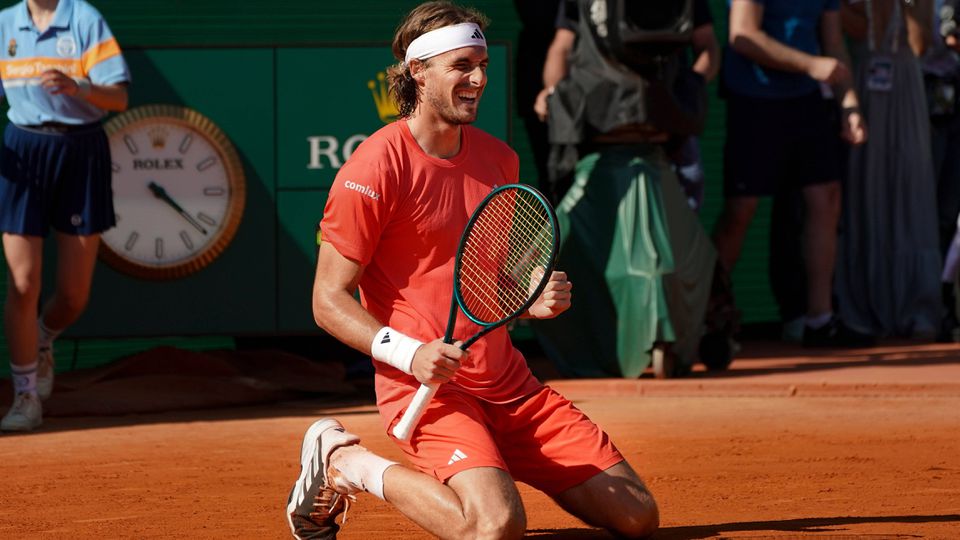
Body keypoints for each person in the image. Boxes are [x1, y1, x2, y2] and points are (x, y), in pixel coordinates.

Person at [285, 2, 659, 539]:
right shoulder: (375, 165)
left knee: (638, 517)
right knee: (494, 527)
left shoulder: (500, 161)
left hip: (511, 387)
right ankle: (348, 463)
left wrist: (529, 297)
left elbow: (492, 279)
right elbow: (327, 300)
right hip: (430, 391)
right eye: (461, 65)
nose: (478, 78)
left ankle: (491, 457)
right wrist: (410, 353)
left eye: (482, 64)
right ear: (419, 71)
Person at [528, 0, 723, 378]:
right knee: (551, 249)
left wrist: (691, 87)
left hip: (661, 138)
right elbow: (561, 46)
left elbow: (708, 47)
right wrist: (553, 93)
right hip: (593, 138)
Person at [0, 0, 130, 432]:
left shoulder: (85, 19)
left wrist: (78, 86)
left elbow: (119, 96)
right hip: (21, 150)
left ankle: (42, 340)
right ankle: (25, 396)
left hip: (80, 153)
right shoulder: (6, 24)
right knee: (22, 284)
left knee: (73, 296)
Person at [712, 0, 872, 348]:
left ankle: (819, 319)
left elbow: (833, 42)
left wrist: (849, 105)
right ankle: (707, 315)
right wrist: (810, 64)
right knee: (740, 211)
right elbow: (743, 34)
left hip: (805, 99)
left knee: (826, 197)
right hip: (754, 100)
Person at [835, 0, 941, 339]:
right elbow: (845, 30)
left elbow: (920, 42)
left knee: (911, 191)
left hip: (905, 93)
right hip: (861, 91)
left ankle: (916, 306)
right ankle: (861, 308)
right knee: (863, 192)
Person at [922, 0, 960, 340]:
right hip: (925, 105)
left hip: (954, 107)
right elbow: (921, 42)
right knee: (929, 212)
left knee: (950, 216)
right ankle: (928, 301)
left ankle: (945, 301)